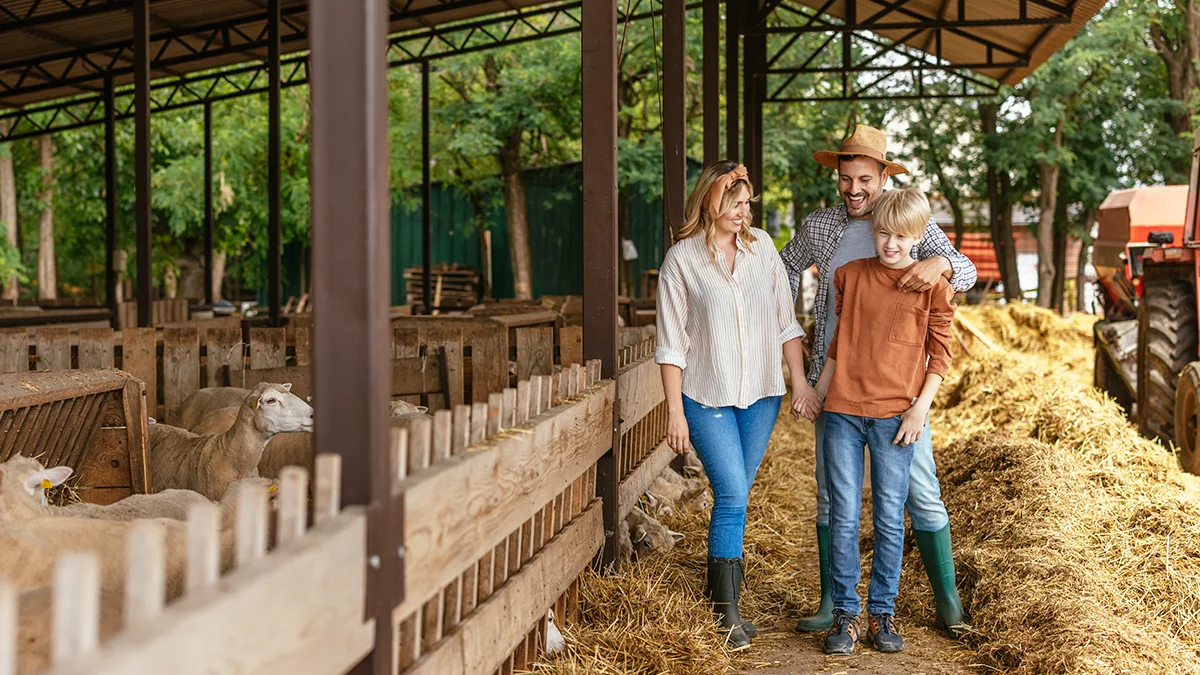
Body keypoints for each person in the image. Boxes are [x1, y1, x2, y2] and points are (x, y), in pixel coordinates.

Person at [780, 125, 975, 635]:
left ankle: (946, 599)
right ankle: (832, 602)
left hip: (899, 389)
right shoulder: (822, 227)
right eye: (846, 179)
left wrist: (939, 263)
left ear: (884, 176)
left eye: (864, 178)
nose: (854, 190)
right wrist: (793, 341)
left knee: (919, 490)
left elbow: (966, 271)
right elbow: (780, 273)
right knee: (833, 496)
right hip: (837, 378)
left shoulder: (902, 218)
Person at [656, 160, 820, 651]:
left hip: (762, 395)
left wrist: (800, 384)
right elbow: (670, 345)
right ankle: (725, 613)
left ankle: (723, 598)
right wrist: (674, 412)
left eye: (747, 203)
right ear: (710, 201)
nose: (743, 212)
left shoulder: (763, 247)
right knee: (731, 493)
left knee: (738, 495)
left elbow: (784, 321)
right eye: (734, 202)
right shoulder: (681, 260)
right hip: (705, 395)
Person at [812, 188, 956, 654]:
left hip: (897, 415)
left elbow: (940, 355)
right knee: (845, 513)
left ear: (919, 237)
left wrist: (920, 408)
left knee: (891, 517)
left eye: (900, 236)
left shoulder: (933, 284)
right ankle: (845, 615)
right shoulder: (849, 275)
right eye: (881, 233)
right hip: (843, 413)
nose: (889, 243)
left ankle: (882, 613)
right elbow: (838, 343)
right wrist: (818, 391)